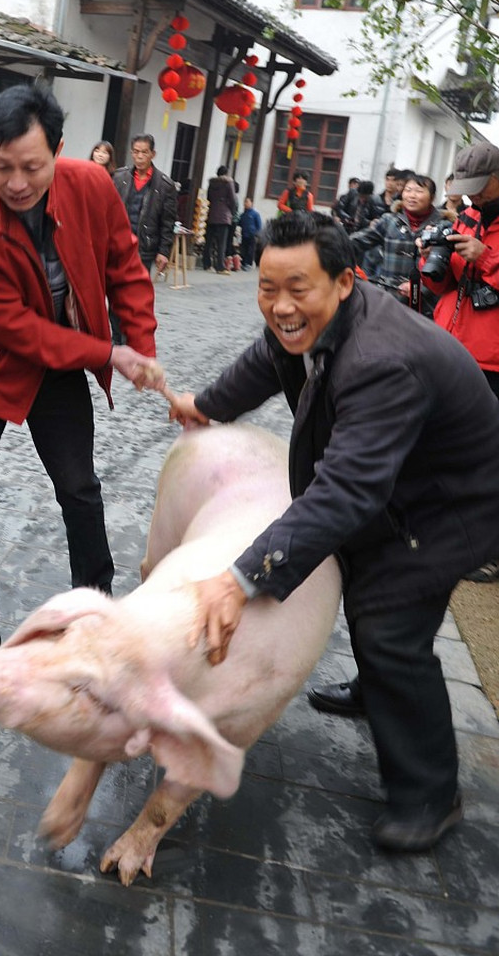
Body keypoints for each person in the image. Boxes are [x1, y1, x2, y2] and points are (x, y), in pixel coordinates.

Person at [166, 212, 499, 854]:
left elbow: (347, 492)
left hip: (453, 503)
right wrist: (206, 406)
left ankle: (430, 793)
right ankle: (378, 690)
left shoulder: (382, 359)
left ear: (345, 282)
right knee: (365, 578)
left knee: (388, 623)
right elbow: (265, 361)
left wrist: (240, 579)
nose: (281, 306)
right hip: (403, 488)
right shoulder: (306, 326)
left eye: (299, 288)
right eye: (267, 287)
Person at [0, 83, 166, 691]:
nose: (15, 182)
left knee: (79, 488)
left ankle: (96, 612)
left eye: (31, 167)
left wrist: (141, 347)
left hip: (60, 365)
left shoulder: (91, 186)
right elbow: (17, 331)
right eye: (1, 166)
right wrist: (108, 351)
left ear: (59, 151)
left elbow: (125, 266)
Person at [420, 141, 499, 583]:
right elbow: (444, 281)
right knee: (451, 445)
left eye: (479, 188)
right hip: (454, 344)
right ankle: (452, 533)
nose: (472, 197)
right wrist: (433, 256)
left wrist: (484, 257)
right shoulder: (468, 215)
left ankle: (488, 548)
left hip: (494, 357)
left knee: (490, 455)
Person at [348, 175, 441, 315]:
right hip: (387, 301)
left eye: (419, 191)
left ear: (432, 197)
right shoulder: (389, 221)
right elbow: (358, 241)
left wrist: (419, 288)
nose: (412, 195)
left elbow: (447, 273)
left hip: (424, 307)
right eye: (408, 190)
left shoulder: (442, 227)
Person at [111, 133, 178, 274]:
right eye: (136, 152)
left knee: (137, 293)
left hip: (144, 248)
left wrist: (164, 252)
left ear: (153, 154)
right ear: (131, 153)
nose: (139, 156)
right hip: (118, 244)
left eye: (144, 152)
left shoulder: (164, 185)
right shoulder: (119, 177)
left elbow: (168, 222)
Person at [203, 165, 238, 272]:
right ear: (227, 173)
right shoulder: (228, 183)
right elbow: (233, 200)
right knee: (221, 242)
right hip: (224, 216)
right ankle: (220, 266)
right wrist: (231, 212)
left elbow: (208, 197)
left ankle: (207, 264)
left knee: (208, 241)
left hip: (212, 213)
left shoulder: (212, 183)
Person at [238, 196, 262, 270]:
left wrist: (257, 234)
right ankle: (243, 263)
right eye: (245, 202)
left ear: (251, 203)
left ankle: (248, 264)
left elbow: (259, 225)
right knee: (243, 249)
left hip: (252, 235)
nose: (245, 203)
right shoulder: (243, 215)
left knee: (250, 250)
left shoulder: (255, 214)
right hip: (244, 234)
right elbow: (239, 224)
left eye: (247, 202)